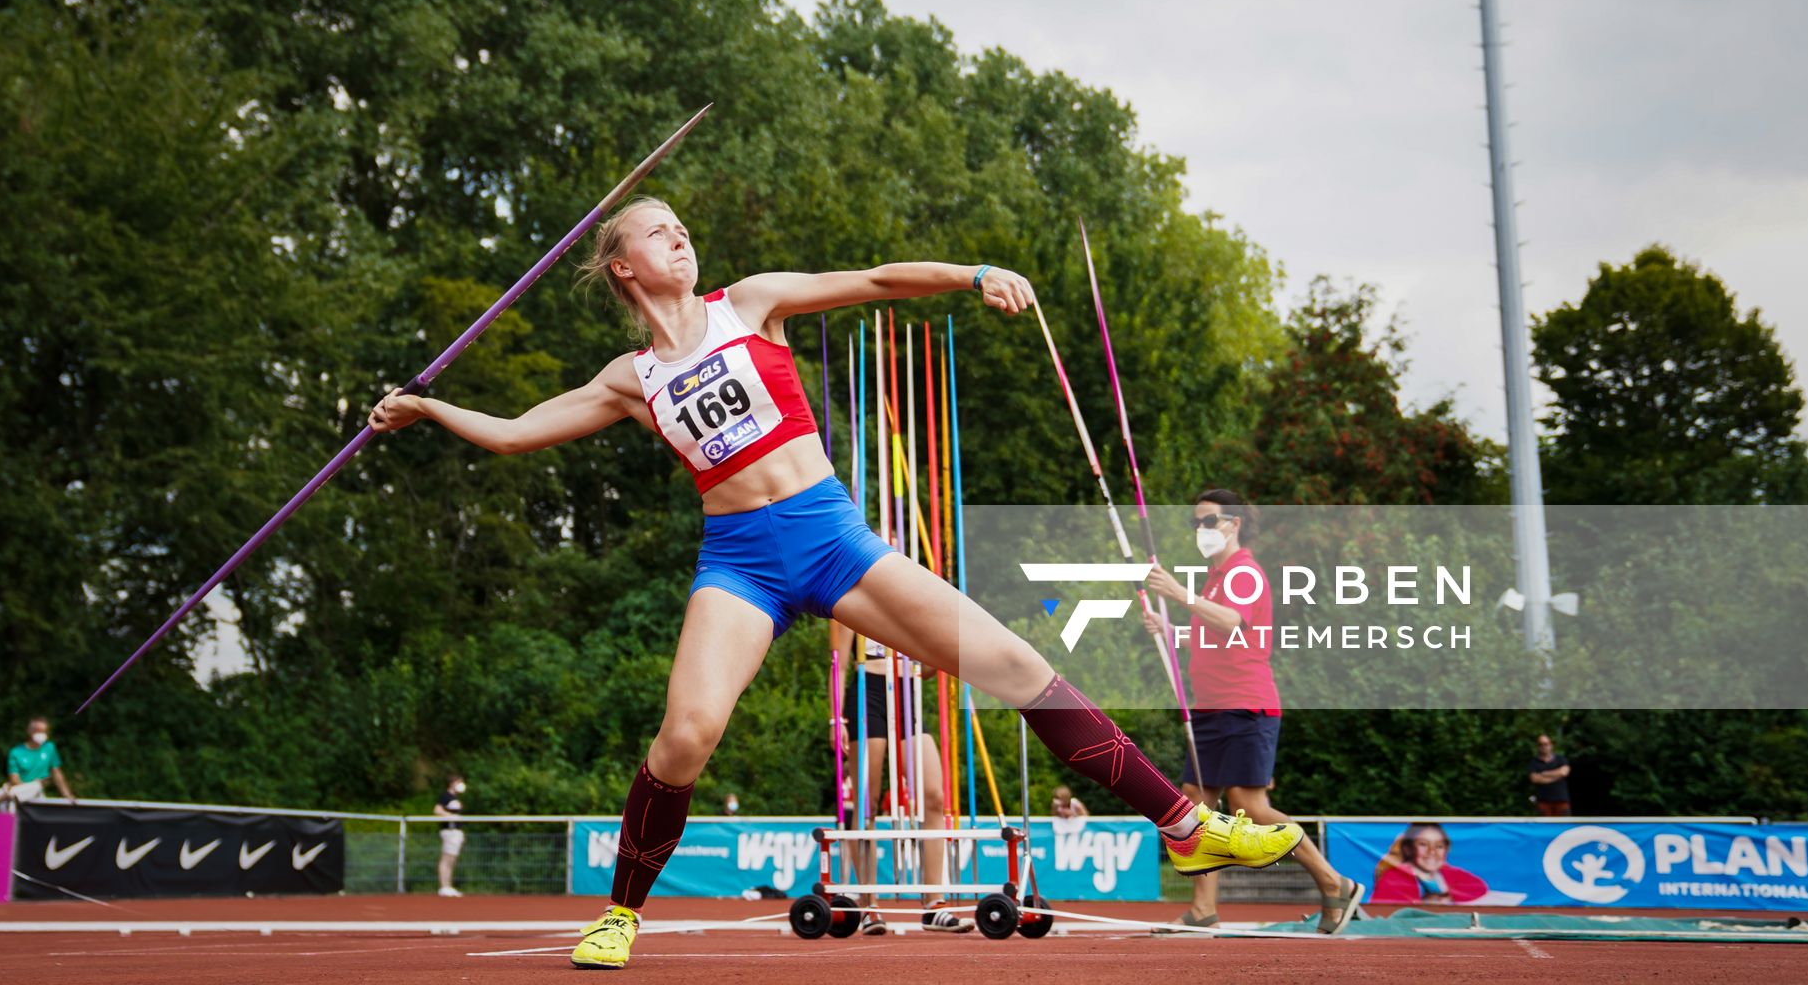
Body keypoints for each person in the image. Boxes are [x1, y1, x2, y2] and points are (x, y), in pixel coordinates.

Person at [368, 198, 1309, 971]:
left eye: (684, 225)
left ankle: (1185, 826)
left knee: (1015, 663)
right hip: (739, 562)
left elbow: (873, 281)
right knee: (686, 735)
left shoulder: (754, 302)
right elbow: (516, 428)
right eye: (657, 231)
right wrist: (426, 406)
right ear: (623, 268)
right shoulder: (631, 377)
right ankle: (619, 913)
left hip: (834, 541)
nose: (681, 235)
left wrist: (970, 275)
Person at [1142, 491, 1363, 934]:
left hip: (1244, 706)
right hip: (1210, 710)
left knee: (1250, 806)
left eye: (1208, 522)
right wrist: (1172, 632)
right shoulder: (1217, 577)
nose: (1199, 531)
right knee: (1194, 811)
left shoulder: (1244, 572)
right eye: (1195, 523)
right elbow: (1215, 636)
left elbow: (1234, 623)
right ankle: (1203, 909)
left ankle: (1334, 881)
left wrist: (1178, 594)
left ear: (1233, 523)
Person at [830, 625, 972, 933]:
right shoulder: (852, 598)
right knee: (867, 803)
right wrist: (836, 718)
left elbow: (929, 668)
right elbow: (839, 664)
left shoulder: (907, 598)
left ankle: (934, 903)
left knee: (934, 796)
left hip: (909, 692)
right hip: (869, 692)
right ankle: (870, 907)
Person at [1373, 822, 1488, 904]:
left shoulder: (1449, 873)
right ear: (1408, 849)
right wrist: (1422, 902)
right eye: (1423, 844)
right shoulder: (1394, 876)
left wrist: (1448, 896)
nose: (1432, 852)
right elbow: (1382, 906)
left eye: (1439, 846)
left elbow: (1479, 887)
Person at [3, 717, 77, 809]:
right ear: (29, 731)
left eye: (44, 731)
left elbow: (56, 773)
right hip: (20, 792)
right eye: (38, 731)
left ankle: (4, 795)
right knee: (7, 806)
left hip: (37, 794)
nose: (41, 734)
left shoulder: (49, 748)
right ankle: (5, 801)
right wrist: (30, 785)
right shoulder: (16, 752)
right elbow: (14, 780)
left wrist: (67, 794)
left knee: (35, 787)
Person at [434, 772, 467, 897]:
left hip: (456, 831)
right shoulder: (445, 796)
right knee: (446, 858)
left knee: (452, 859)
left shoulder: (456, 798)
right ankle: (443, 886)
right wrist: (450, 817)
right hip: (449, 831)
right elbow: (437, 810)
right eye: (459, 782)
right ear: (452, 783)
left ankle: (448, 886)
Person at [1528, 734, 1571, 816]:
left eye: (1546, 744)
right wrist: (1557, 776)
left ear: (1551, 745)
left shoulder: (1561, 759)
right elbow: (1534, 779)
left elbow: (1563, 772)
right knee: (1544, 827)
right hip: (1543, 802)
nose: (1543, 746)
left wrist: (1544, 774)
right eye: (1540, 744)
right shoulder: (1534, 762)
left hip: (1561, 800)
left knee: (1564, 826)